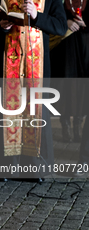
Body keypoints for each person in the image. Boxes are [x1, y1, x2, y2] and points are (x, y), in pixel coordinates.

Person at [0, 0, 67, 180]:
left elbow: (60, 26)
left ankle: (34, 168)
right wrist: (1, 25)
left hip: (36, 67)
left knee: (34, 113)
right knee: (6, 112)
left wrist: (37, 16)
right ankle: (3, 167)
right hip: (8, 65)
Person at [50, 0, 88, 143]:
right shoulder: (59, 1)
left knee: (82, 86)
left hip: (84, 47)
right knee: (64, 85)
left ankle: (78, 125)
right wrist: (65, 22)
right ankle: (65, 124)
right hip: (64, 48)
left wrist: (85, 23)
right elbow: (50, 16)